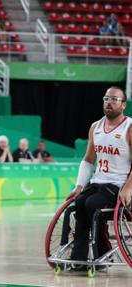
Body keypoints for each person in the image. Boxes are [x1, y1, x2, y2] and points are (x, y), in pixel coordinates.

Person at [70, 86, 132, 268]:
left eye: (114, 99)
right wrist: (79, 186)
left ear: (123, 105)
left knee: (92, 205)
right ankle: (78, 259)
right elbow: (89, 159)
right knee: (80, 203)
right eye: (106, 99)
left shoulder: (129, 127)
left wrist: (128, 188)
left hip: (119, 185)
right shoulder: (95, 127)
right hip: (98, 183)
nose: (109, 103)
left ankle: (103, 256)